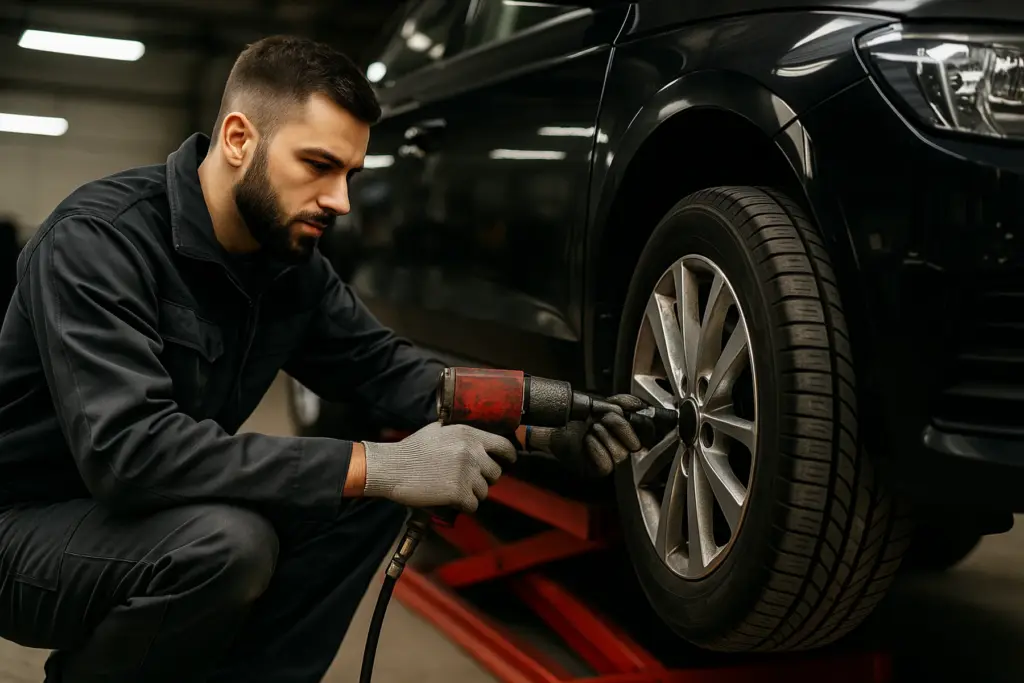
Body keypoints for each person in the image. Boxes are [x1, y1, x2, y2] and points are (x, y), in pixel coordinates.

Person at [0, 35, 647, 683]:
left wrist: (545, 423)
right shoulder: (99, 241)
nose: (340, 199)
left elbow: (395, 372)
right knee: (229, 544)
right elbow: (131, 454)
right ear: (237, 139)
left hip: (146, 517)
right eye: (318, 164)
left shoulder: (290, 265)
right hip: (23, 534)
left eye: (350, 175)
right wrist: (377, 463)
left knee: (361, 502)